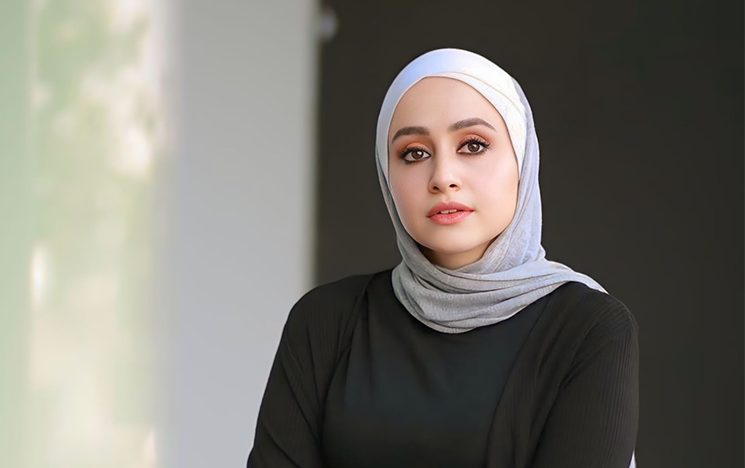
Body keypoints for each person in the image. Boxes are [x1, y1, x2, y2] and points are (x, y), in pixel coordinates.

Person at [246, 48, 639, 468]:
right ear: (387, 175)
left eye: (473, 145)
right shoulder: (325, 323)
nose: (443, 177)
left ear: (522, 162)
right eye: (414, 153)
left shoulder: (588, 329)